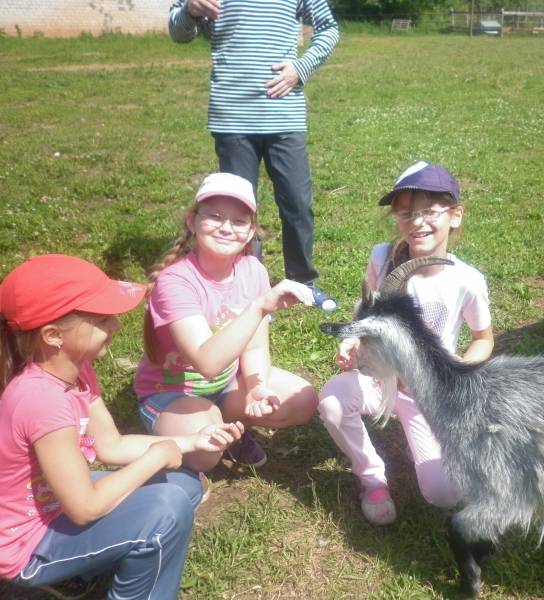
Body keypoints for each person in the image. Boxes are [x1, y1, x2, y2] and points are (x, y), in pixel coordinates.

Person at [0, 254, 244, 598]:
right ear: (53, 335)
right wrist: (157, 456)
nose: (115, 325)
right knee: (166, 511)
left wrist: (192, 441)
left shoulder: (76, 369)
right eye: (102, 319)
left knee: (184, 484)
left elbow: (110, 446)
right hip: (28, 545)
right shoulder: (42, 400)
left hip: (57, 505)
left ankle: (83, 567)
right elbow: (85, 508)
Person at [317, 162, 495, 525]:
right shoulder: (382, 258)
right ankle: (371, 477)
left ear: (455, 215)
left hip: (427, 393)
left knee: (445, 492)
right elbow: (367, 309)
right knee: (333, 403)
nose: (418, 222)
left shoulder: (467, 281)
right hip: (377, 379)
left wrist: (459, 371)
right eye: (406, 213)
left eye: (430, 211)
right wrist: (354, 339)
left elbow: (483, 338)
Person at [134, 172, 319, 473]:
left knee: (303, 401)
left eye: (239, 221)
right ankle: (198, 446)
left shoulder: (252, 270)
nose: (226, 228)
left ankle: (227, 425)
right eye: (215, 216)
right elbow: (207, 363)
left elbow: (255, 347)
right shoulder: (175, 281)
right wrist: (259, 307)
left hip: (224, 386)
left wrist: (257, 387)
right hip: (173, 392)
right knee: (206, 453)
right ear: (192, 221)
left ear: (250, 232)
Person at [167, 0, 340, 313]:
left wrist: (300, 69)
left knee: (297, 204)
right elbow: (179, 33)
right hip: (232, 117)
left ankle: (303, 282)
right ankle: (247, 289)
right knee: (239, 209)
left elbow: (329, 29)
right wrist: (190, 10)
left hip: (284, 117)